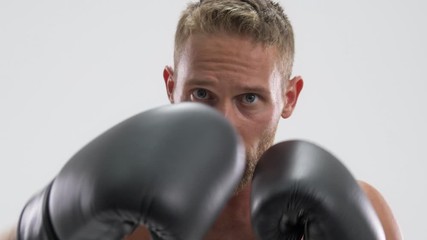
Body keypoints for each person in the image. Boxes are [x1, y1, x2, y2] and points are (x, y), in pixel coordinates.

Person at [1, 0, 402, 239]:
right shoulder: (124, 221)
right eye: (201, 95)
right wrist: (47, 224)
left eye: (249, 98)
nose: (224, 123)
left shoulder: (358, 208)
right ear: (171, 87)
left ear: (289, 97)